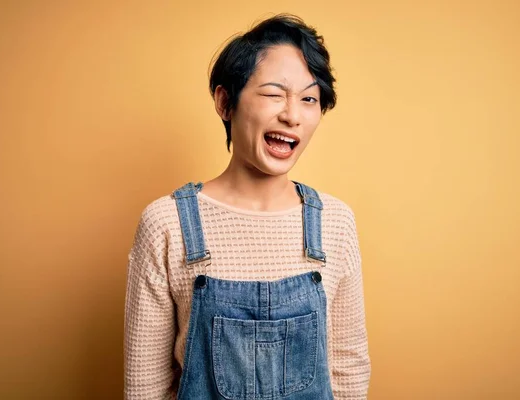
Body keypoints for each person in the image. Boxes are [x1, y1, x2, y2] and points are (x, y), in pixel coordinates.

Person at [124, 13, 371, 400]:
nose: (292, 115)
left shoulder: (335, 223)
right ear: (225, 102)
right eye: (275, 94)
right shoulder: (166, 224)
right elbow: (146, 385)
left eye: (309, 99)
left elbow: (348, 369)